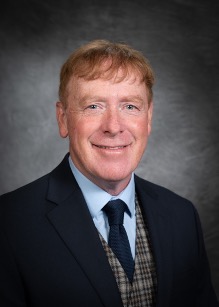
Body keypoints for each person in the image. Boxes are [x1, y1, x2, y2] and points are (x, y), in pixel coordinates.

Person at [0, 39, 218, 307]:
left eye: (130, 106)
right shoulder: (9, 223)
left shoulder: (182, 215)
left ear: (148, 118)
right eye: (94, 106)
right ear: (63, 119)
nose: (114, 127)